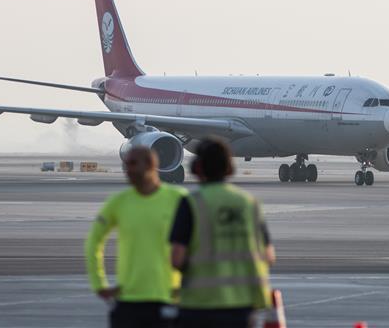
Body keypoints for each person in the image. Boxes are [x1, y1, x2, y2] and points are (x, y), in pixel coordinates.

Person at [170, 137, 275, 328]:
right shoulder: (249, 203)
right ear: (230, 169)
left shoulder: (191, 203)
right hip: (241, 304)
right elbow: (268, 256)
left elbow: (176, 258)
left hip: (197, 304)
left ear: (196, 168)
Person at [85, 146, 187, 328]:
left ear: (150, 165)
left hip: (168, 296)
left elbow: (200, 243)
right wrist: (98, 283)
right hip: (129, 299)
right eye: (126, 164)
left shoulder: (178, 199)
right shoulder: (118, 202)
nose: (127, 170)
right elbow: (93, 241)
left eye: (132, 164)